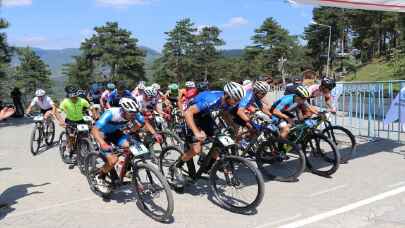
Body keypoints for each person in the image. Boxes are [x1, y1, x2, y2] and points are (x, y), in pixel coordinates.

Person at [170, 82, 245, 186]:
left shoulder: (227, 101)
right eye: (236, 99)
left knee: (219, 141)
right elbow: (188, 113)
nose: (237, 102)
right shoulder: (212, 99)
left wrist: (233, 127)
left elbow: (225, 114)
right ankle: (177, 166)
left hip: (205, 115)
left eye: (238, 100)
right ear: (227, 95)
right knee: (196, 150)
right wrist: (196, 132)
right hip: (191, 115)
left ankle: (207, 167)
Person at [91, 98, 162, 192]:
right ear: (124, 110)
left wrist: (154, 134)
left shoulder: (133, 113)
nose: (133, 116)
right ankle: (100, 178)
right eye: (131, 114)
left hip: (115, 133)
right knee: (113, 160)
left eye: (134, 114)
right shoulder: (111, 113)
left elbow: (144, 122)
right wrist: (103, 143)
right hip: (102, 134)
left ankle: (126, 169)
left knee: (133, 147)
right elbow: (94, 130)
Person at [55, 86, 90, 154]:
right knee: (71, 136)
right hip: (70, 121)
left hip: (80, 120)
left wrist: (95, 117)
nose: (74, 98)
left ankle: (86, 146)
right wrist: (61, 121)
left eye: (75, 96)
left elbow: (91, 107)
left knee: (86, 134)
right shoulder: (65, 102)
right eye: (72, 97)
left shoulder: (82, 100)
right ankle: (69, 148)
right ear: (69, 96)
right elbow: (57, 112)